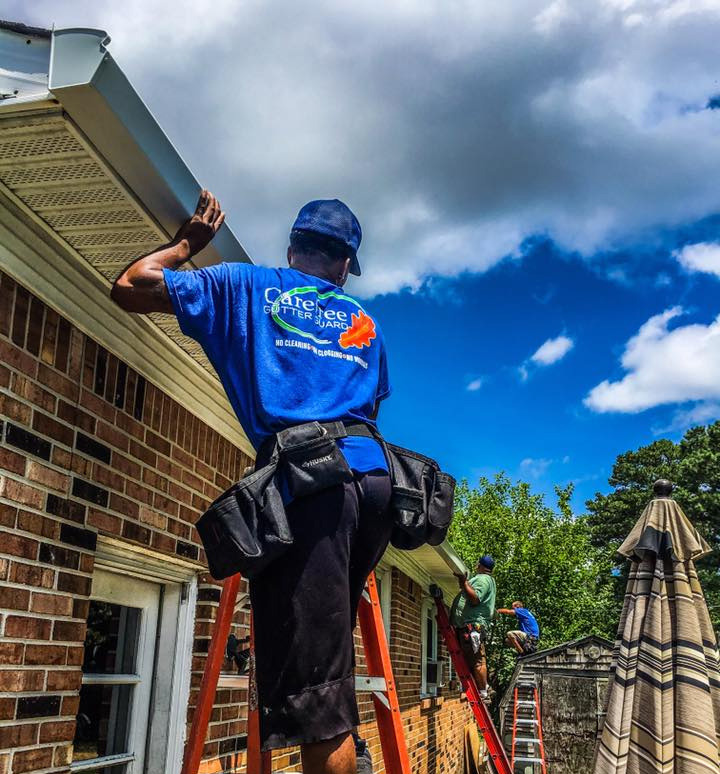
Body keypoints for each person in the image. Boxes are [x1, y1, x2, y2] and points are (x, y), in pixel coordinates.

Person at [111, 192, 392, 774]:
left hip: (309, 486)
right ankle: (350, 745)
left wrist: (187, 244)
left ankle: (337, 742)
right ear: (345, 265)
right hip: (376, 484)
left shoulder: (246, 285)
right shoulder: (366, 325)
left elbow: (132, 286)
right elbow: (370, 409)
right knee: (325, 655)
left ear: (292, 248)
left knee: (317, 704)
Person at [450, 555, 497, 700]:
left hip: (472, 627)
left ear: (480, 565)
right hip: (471, 626)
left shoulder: (483, 579)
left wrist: (463, 582)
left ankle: (483, 693)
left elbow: (475, 598)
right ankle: (485, 688)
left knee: (477, 661)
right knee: (475, 660)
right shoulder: (488, 580)